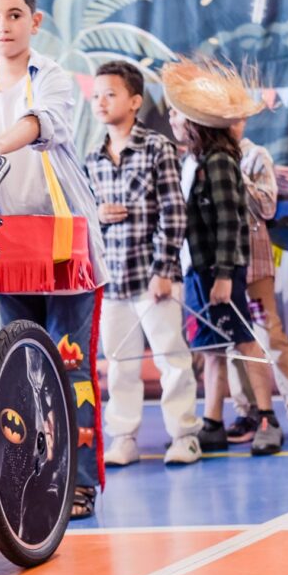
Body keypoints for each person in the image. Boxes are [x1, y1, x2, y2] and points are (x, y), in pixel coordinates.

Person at [0, 0, 108, 520]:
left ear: (34, 21)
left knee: (71, 367)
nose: (4, 25)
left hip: (65, 248)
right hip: (8, 249)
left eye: (15, 14)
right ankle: (37, 477)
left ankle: (79, 483)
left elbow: (39, 124)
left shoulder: (54, 77)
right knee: (19, 369)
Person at [84, 60, 202, 466]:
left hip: (152, 277)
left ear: (135, 101)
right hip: (112, 278)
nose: (101, 102)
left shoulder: (157, 147)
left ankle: (184, 435)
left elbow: (174, 211)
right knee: (119, 364)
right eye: (96, 95)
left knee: (172, 358)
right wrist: (98, 214)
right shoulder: (92, 157)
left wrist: (164, 270)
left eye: (110, 94)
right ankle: (124, 438)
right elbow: (85, 215)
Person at [164, 57, 284, 456]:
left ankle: (267, 418)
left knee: (245, 341)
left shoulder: (218, 162)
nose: (173, 120)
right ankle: (213, 421)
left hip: (219, 270)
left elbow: (231, 221)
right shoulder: (194, 161)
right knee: (212, 348)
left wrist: (223, 276)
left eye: (178, 115)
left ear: (195, 124)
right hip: (200, 268)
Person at [220, 120, 288, 445]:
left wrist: (231, 173)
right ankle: (247, 412)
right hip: (221, 264)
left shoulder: (255, 156)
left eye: (235, 118)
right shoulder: (201, 156)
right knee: (232, 339)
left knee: (270, 332)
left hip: (254, 261)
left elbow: (267, 207)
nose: (229, 125)